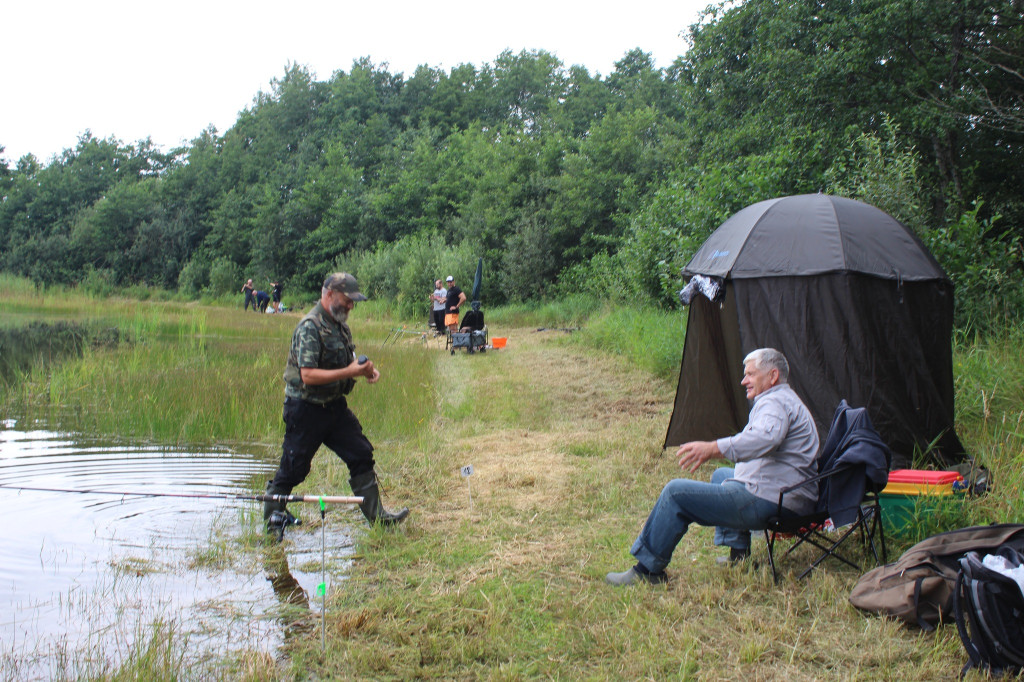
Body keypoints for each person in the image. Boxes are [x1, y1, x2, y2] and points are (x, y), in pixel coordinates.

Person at [606, 348, 819, 586]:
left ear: (772, 376)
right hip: (787, 494)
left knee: (676, 493)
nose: (743, 381)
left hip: (774, 500)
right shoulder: (785, 399)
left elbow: (764, 439)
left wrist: (713, 448)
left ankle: (646, 570)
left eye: (750, 374)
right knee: (721, 475)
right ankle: (739, 557)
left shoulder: (775, 404)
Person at [263, 272, 410, 537]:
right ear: (329, 294)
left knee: (361, 453)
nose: (351, 306)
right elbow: (308, 375)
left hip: (334, 408)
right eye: (347, 300)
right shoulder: (310, 326)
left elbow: (348, 362)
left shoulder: (340, 326)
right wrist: (351, 372)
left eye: (354, 301)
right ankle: (274, 519)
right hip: (305, 409)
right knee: (293, 468)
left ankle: (378, 518)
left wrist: (365, 371)